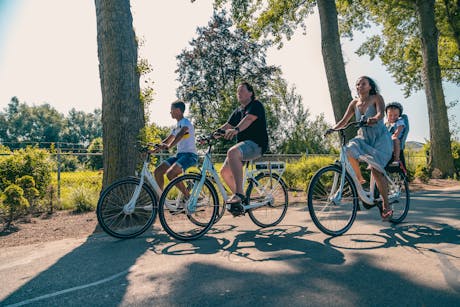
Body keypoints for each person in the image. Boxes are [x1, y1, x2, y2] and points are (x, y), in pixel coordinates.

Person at [332, 76, 393, 221]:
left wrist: (373, 119)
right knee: (347, 150)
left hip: (379, 139)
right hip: (364, 138)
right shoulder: (354, 103)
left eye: (363, 83)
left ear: (370, 86)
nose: (360, 86)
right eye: (358, 84)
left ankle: (386, 205)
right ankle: (359, 179)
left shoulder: (377, 97)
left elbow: (380, 113)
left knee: (376, 170)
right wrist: (332, 129)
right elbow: (344, 121)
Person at [215, 81, 269, 216]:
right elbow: (228, 125)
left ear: (250, 93)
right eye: (237, 92)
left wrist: (236, 129)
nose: (238, 94)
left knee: (232, 152)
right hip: (244, 146)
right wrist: (213, 134)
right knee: (224, 172)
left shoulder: (256, 105)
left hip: (257, 144)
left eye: (242, 91)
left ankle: (239, 193)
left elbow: (249, 119)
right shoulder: (238, 110)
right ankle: (240, 200)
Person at [154, 100, 198, 191]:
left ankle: (187, 197)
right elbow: (167, 140)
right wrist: (152, 150)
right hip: (179, 156)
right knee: (158, 171)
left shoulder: (186, 123)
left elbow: (180, 135)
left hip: (190, 156)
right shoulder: (177, 126)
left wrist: (169, 146)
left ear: (178, 110)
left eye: (172, 109)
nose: (170, 112)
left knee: (170, 174)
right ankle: (160, 199)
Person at [385, 101, 407, 167]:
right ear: (387, 115)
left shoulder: (399, 121)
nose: (392, 117)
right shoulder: (386, 124)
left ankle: (396, 159)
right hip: (387, 140)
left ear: (399, 115)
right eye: (390, 115)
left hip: (396, 140)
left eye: (395, 115)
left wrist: (395, 134)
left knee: (395, 139)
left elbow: (400, 128)